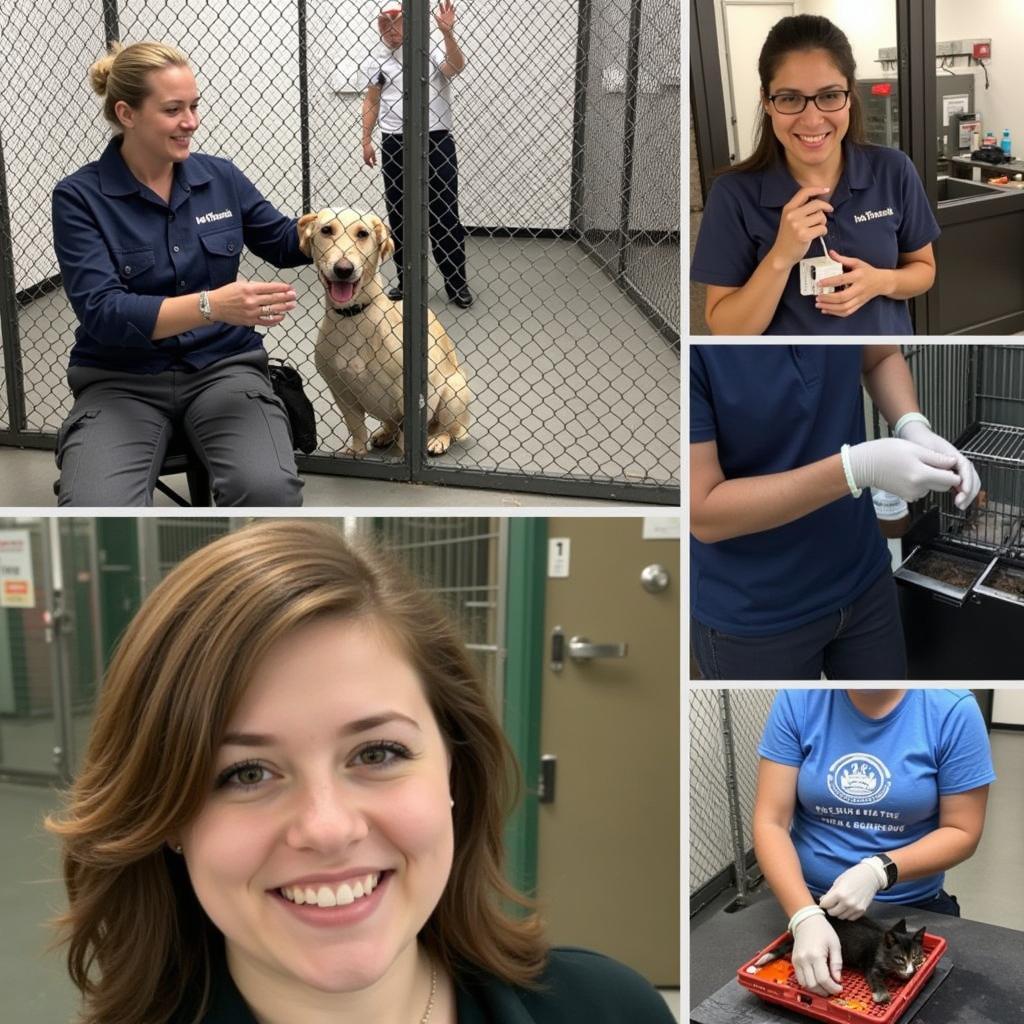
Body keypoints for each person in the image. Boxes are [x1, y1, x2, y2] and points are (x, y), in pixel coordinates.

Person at [45, 521, 674, 1024]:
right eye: (244, 773)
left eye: (377, 754)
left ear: (455, 770)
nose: (327, 828)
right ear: (166, 818)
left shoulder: (613, 1008)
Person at [52, 41, 309, 507]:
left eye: (193, 106)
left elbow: (282, 240)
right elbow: (103, 312)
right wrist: (213, 306)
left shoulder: (220, 178)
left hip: (224, 370)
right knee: (97, 510)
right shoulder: (79, 197)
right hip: (120, 378)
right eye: (173, 109)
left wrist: (336, 232)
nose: (191, 122)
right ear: (127, 113)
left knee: (268, 491)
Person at [689, 344, 981, 680]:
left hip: (863, 579)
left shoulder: (840, 312)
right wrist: (855, 468)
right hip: (757, 613)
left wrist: (912, 424)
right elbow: (704, 513)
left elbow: (881, 355)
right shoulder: (701, 353)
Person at [691, 15, 939, 335]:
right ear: (766, 101)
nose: (812, 120)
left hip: (879, 359)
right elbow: (725, 328)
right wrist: (781, 257)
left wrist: (881, 281)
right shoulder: (734, 194)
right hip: (791, 377)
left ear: (850, 95)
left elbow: (924, 270)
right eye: (790, 98)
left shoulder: (893, 170)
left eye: (829, 96)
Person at [752, 688, 995, 997]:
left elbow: (963, 831)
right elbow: (770, 822)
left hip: (909, 909)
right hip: (806, 899)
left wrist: (880, 870)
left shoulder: (951, 709)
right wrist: (804, 915)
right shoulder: (799, 699)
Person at [360, 2, 473, 309]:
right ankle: (405, 281)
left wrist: (448, 34)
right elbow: (371, 100)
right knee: (399, 214)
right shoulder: (376, 59)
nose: (391, 30)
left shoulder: (430, 50)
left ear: (409, 25)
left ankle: (456, 284)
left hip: (435, 141)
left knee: (444, 214)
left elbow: (455, 67)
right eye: (384, 24)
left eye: (396, 23)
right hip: (395, 142)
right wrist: (366, 138)